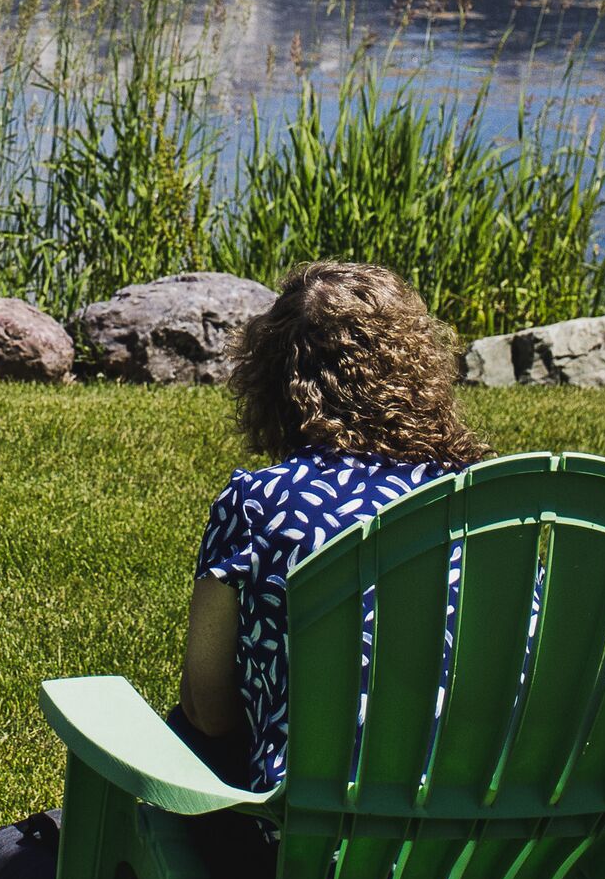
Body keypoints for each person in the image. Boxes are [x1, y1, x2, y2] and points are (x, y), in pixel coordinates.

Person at [172, 261, 487, 802]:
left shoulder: (262, 504)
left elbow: (210, 713)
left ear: (272, 381)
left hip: (313, 863)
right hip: (501, 858)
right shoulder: (485, 506)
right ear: (420, 369)